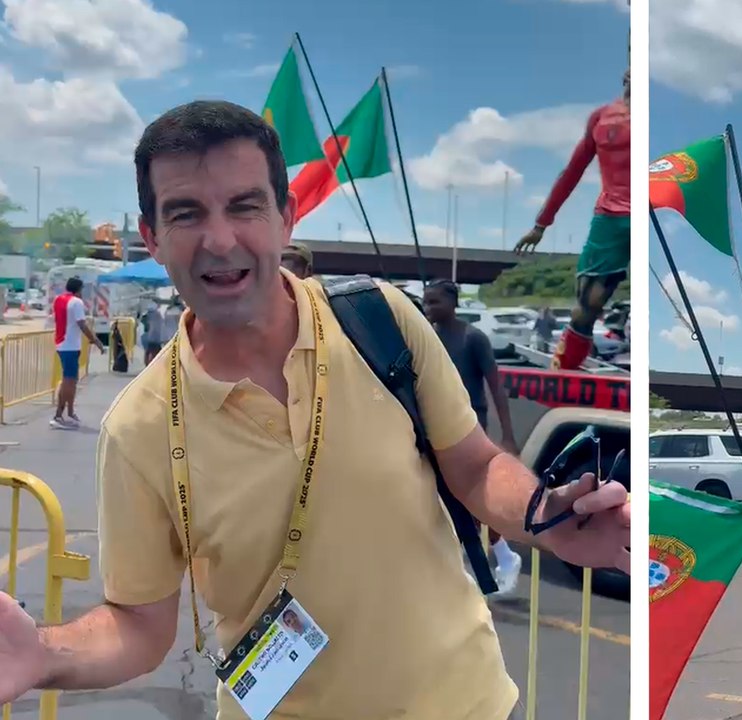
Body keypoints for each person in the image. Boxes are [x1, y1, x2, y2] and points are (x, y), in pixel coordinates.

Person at [0, 100, 629, 720]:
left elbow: (473, 465)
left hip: (471, 705)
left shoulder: (379, 319)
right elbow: (139, 623)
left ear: (286, 218)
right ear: (152, 238)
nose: (219, 239)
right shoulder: (137, 428)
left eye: (244, 205)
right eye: (186, 213)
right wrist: (45, 651)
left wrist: (547, 516)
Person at [514, 64, 630, 370]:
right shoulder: (602, 117)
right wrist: (541, 224)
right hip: (610, 217)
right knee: (586, 307)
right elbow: (572, 170)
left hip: (650, 211)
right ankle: (564, 373)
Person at [422, 279, 524, 597]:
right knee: (443, 499)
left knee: (473, 497)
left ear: (453, 303)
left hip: (470, 427)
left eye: (435, 302)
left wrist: (508, 435)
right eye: (425, 302)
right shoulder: (428, 337)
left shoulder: (473, 338)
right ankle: (461, 570)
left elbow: (496, 388)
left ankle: (505, 557)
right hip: (435, 426)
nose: (428, 308)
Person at [49, 276, 105, 429]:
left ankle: (70, 413)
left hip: (62, 344)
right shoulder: (76, 302)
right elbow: (82, 324)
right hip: (70, 345)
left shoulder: (58, 299)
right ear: (79, 289)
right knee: (69, 381)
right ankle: (58, 415)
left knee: (71, 380)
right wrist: (96, 341)